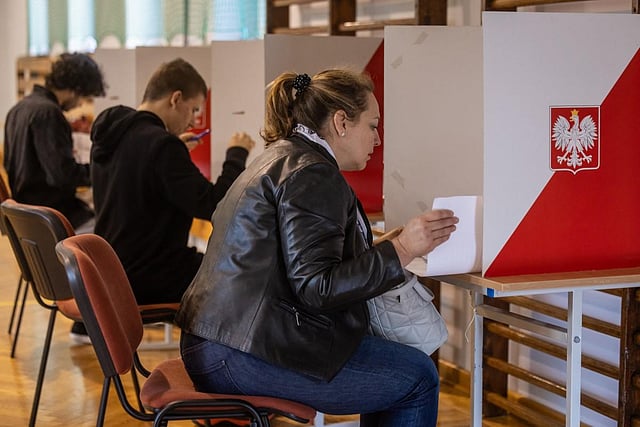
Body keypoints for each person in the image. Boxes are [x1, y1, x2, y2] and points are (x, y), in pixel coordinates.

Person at [175, 68, 459, 426]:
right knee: (417, 375)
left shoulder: (280, 157)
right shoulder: (313, 173)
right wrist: (402, 248)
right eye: (372, 126)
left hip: (220, 341)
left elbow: (298, 260)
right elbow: (316, 287)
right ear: (341, 122)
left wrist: (380, 247)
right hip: (237, 354)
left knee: (396, 367)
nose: (377, 139)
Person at [90, 58, 255, 307]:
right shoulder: (162, 146)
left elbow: (140, 177)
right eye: (194, 109)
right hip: (153, 276)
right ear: (176, 99)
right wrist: (236, 155)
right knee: (246, 277)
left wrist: (174, 151)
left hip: (112, 273)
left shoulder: (114, 135)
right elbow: (215, 205)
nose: (193, 121)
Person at [3, 52, 106, 233]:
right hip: (51, 216)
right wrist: (103, 171)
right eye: (84, 97)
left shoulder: (18, 109)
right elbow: (62, 175)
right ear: (75, 89)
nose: (81, 104)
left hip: (26, 216)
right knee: (111, 229)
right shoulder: (49, 113)